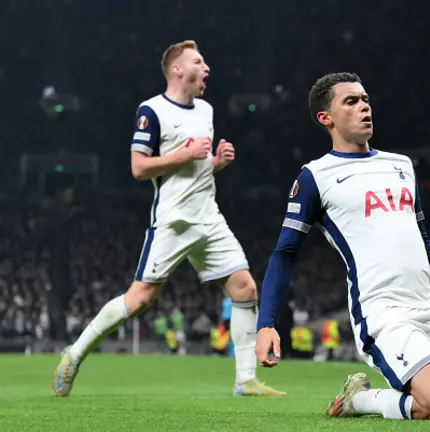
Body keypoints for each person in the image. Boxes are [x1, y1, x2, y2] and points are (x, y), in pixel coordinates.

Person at [254, 72, 430, 420]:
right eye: (351, 101)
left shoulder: (401, 166)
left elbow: (421, 238)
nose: (364, 107)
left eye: (365, 99)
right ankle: (360, 400)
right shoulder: (314, 177)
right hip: (385, 314)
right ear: (325, 117)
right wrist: (266, 323)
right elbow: (285, 253)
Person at [52, 40, 285, 398]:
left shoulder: (206, 110)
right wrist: (187, 153)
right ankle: (75, 353)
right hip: (174, 220)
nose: (206, 68)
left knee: (244, 288)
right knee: (140, 299)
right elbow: (139, 167)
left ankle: (245, 380)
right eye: (198, 61)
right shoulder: (152, 110)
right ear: (177, 69)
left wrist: (214, 163)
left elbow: (195, 167)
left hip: (209, 216)